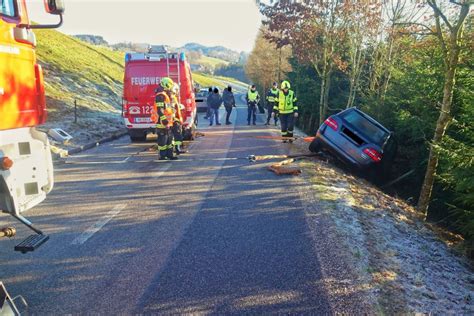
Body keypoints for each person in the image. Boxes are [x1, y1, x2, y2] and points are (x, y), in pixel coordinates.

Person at [153, 77, 178, 160]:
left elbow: (167, 108)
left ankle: (169, 154)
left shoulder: (165, 95)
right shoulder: (160, 96)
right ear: (166, 85)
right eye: (169, 86)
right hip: (162, 123)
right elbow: (160, 110)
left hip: (168, 123)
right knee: (163, 141)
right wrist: (165, 121)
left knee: (169, 140)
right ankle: (162, 155)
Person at [171, 83, 186, 154]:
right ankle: (176, 149)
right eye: (177, 90)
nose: (177, 91)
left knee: (177, 136)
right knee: (176, 136)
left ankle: (177, 149)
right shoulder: (172, 97)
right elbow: (171, 109)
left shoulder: (173, 97)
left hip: (175, 120)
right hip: (173, 120)